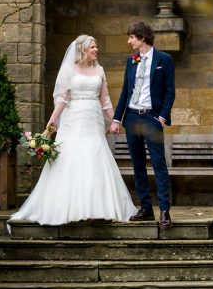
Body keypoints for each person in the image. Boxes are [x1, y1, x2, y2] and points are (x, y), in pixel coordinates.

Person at [9, 35, 137, 227]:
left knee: (95, 158)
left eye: (97, 46)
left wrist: (117, 120)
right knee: (71, 159)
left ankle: (97, 209)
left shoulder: (100, 70)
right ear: (82, 50)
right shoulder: (69, 70)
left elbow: (105, 100)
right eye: (93, 47)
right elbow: (63, 99)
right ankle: (68, 208)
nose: (96, 50)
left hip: (93, 121)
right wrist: (51, 124)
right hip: (73, 120)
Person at [109, 21, 176, 228]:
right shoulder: (131, 60)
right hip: (132, 118)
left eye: (131, 37)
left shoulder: (164, 60)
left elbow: (170, 92)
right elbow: (125, 92)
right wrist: (117, 119)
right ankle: (146, 209)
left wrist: (162, 118)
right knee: (138, 165)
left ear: (142, 38)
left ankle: (165, 211)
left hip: (151, 119)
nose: (129, 41)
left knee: (158, 165)